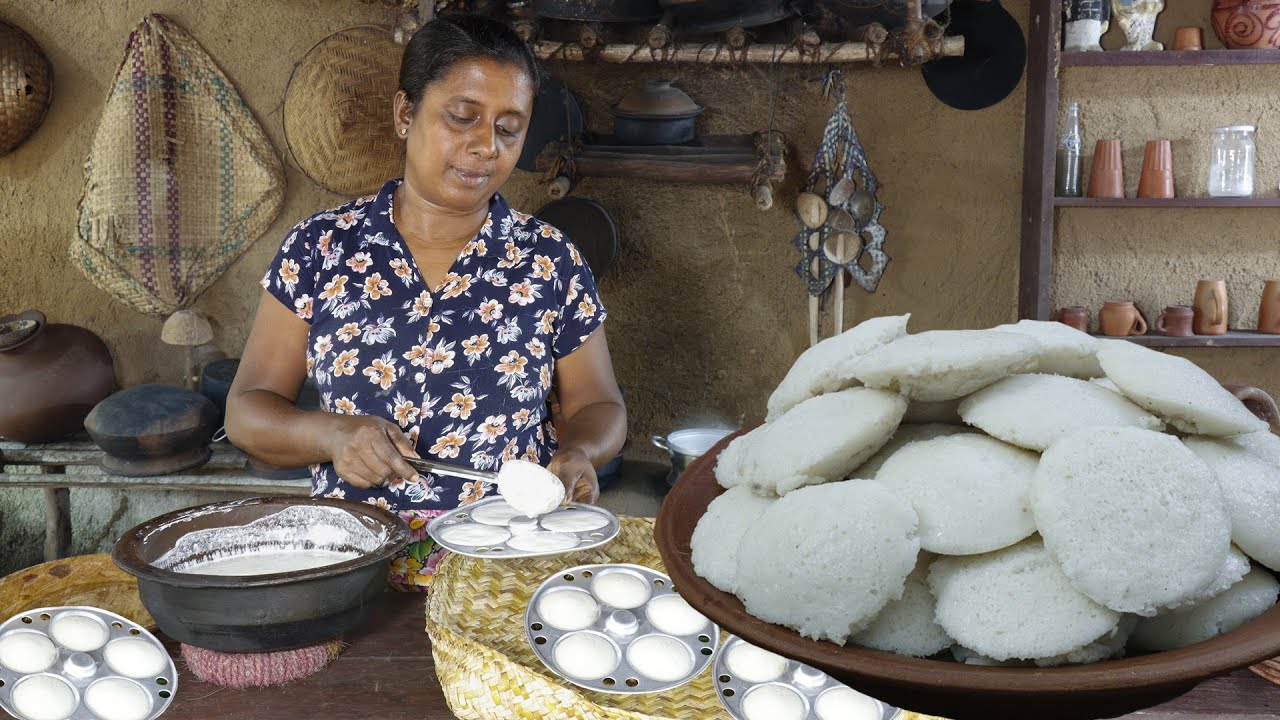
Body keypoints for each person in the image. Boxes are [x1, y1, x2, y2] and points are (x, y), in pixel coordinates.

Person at [226, 14, 627, 590]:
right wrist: (332, 436)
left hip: (504, 567)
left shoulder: (548, 261)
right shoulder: (321, 248)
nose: (485, 147)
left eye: (509, 129)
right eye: (462, 117)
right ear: (404, 113)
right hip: (354, 567)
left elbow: (600, 404)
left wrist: (580, 451)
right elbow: (246, 411)